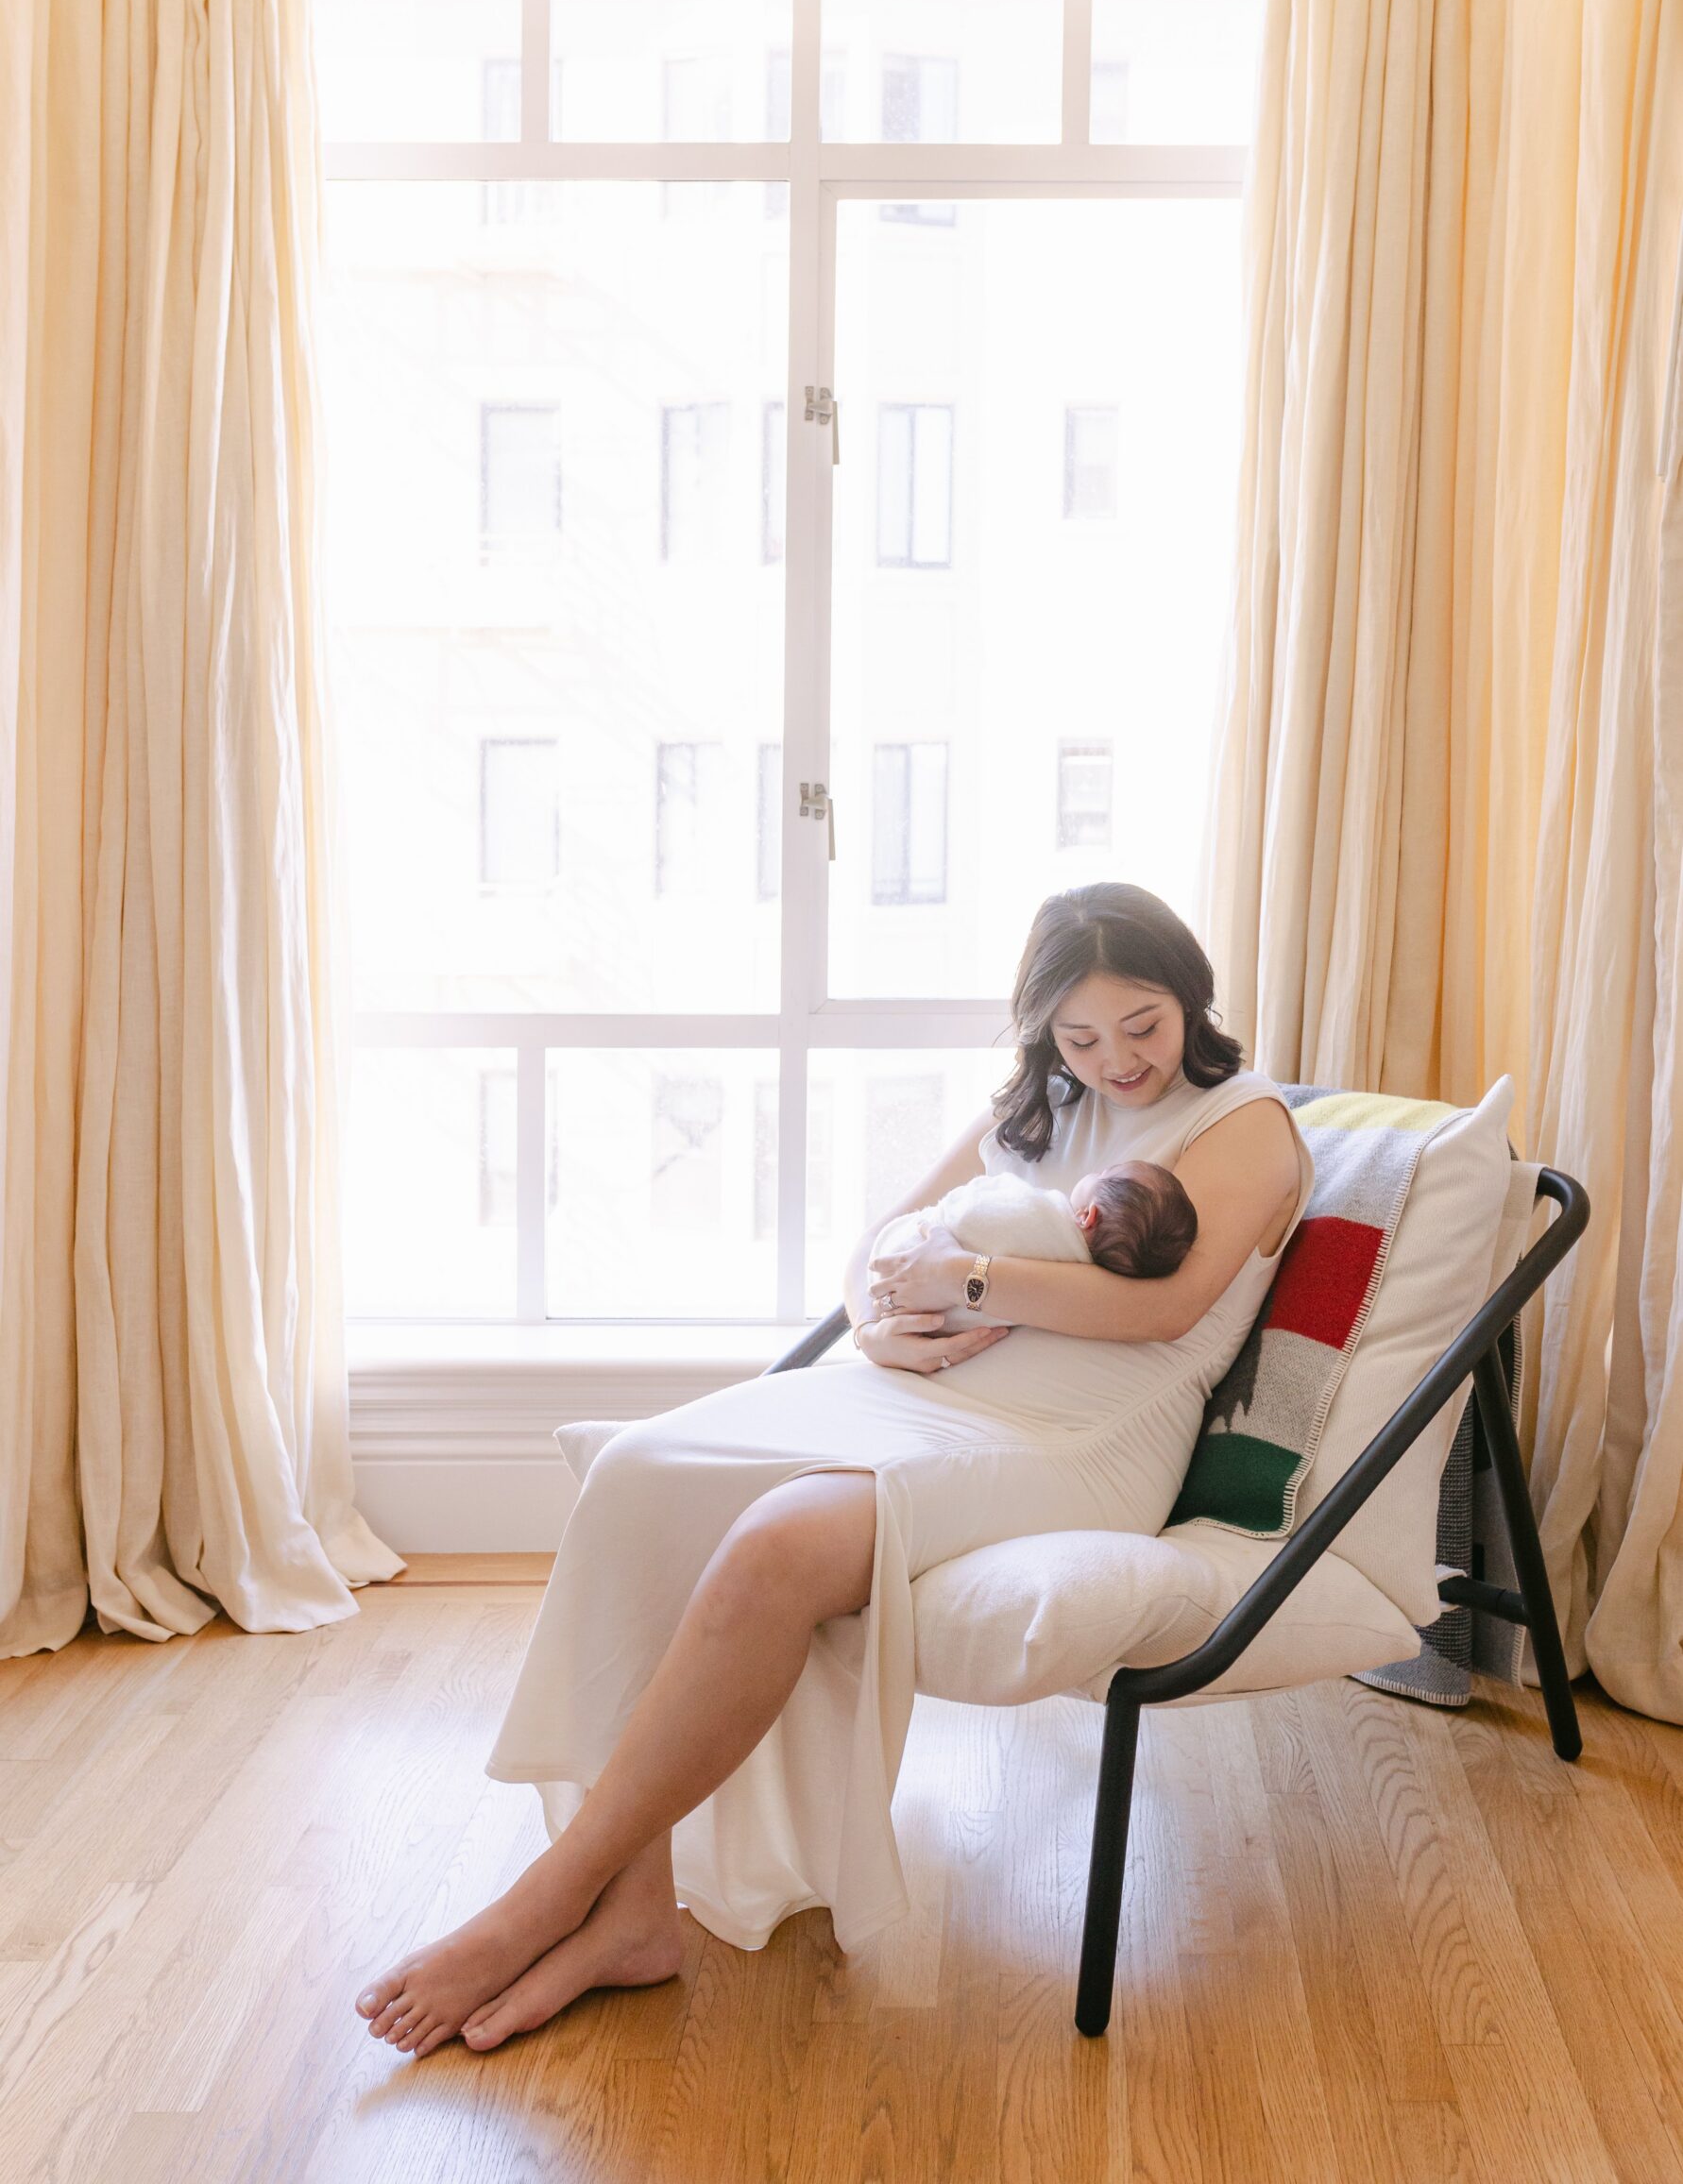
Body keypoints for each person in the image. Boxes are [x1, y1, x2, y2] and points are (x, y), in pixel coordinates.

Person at [354, 882, 1314, 2059]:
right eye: (1078, 1036)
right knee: (643, 1470)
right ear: (1043, 1031)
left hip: (1077, 1437)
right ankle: (637, 1908)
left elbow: (1165, 1303)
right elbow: (880, 1248)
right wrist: (880, 1324)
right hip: (923, 1387)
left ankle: (552, 1894)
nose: (1113, 1060)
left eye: (1144, 1026)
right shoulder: (1044, 1102)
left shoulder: (1245, 1122)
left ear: (1191, 998)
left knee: (777, 1542)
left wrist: (965, 1283)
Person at [873, 1155, 1199, 1348]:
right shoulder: (1079, 1279)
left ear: (1087, 1215)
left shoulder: (1044, 1219)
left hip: (907, 1254)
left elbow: (972, 1209)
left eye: (1103, 1175)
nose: (1096, 1171)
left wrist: (948, 1269)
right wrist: (868, 1333)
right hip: (917, 1323)